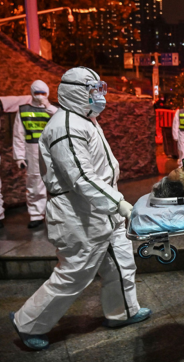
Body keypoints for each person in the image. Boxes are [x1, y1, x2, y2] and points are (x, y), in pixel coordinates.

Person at [10, 67, 151, 351]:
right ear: (76, 92)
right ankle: (28, 322)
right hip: (78, 214)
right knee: (75, 272)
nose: (99, 96)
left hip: (99, 209)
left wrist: (112, 204)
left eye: (100, 89)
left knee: (120, 263)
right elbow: (81, 177)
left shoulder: (84, 120)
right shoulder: (65, 127)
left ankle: (122, 311)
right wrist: (118, 203)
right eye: (93, 90)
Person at [13, 80, 57, 228]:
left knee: (57, 183)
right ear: (31, 93)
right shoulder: (23, 110)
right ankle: (36, 215)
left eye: (43, 93)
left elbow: (60, 121)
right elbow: (18, 134)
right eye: (36, 93)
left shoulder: (53, 109)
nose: (39, 96)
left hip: (52, 150)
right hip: (32, 151)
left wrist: (48, 106)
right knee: (35, 183)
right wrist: (19, 156)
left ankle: (58, 214)